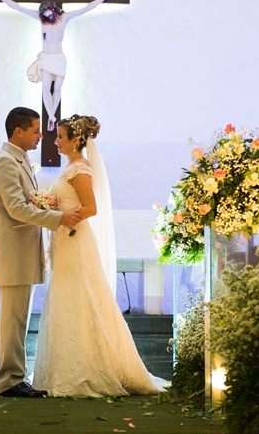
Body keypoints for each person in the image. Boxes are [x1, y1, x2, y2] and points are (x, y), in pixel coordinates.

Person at [32, 114, 168, 397]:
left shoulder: (80, 168)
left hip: (75, 240)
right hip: (65, 240)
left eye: (60, 137)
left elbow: (90, 208)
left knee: (81, 298)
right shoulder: (70, 167)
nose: (55, 141)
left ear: (76, 140)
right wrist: (53, 206)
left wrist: (58, 214)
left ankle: (90, 370)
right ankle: (65, 367)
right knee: (68, 298)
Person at [0, 107, 82, 398]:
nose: (42, 135)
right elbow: (16, 209)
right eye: (36, 130)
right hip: (13, 251)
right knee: (13, 319)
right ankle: (9, 381)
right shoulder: (5, 162)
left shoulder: (19, 159)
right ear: (19, 131)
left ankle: (14, 377)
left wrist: (46, 206)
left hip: (22, 249)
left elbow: (26, 202)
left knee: (18, 320)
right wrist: (58, 218)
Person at [0, 0, 118, 119]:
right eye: (46, 14)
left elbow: (87, 8)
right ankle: (51, 117)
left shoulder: (64, 18)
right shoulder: (40, 18)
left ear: (54, 9)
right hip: (46, 57)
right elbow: (17, 7)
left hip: (59, 58)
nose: (48, 16)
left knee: (57, 89)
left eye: (50, 13)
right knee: (45, 88)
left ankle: (51, 115)